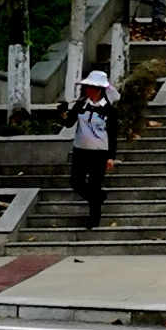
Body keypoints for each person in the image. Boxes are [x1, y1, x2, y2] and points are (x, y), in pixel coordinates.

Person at [62, 71, 116, 228]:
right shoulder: (80, 105)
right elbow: (69, 123)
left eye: (90, 87)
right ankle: (98, 197)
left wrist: (111, 156)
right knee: (76, 182)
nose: (87, 90)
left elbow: (112, 134)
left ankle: (94, 219)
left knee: (94, 183)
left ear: (98, 90)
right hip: (81, 150)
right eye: (86, 87)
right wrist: (62, 114)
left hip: (99, 152)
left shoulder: (109, 110)